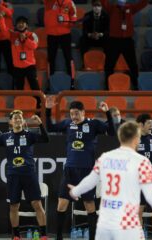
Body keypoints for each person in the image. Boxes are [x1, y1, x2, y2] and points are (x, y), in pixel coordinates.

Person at [68, 121, 152, 240]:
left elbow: (89, 181)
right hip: (127, 224)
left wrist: (75, 191)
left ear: (120, 137)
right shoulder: (142, 162)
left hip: (105, 225)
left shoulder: (105, 157)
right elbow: (151, 196)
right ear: (136, 138)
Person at [45, 98, 115, 240]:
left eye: (76, 113)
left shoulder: (93, 124)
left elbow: (112, 132)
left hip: (87, 171)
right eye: (71, 114)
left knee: (89, 204)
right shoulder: (67, 124)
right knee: (62, 203)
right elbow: (50, 128)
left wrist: (107, 113)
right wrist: (47, 111)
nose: (74, 117)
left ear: (83, 112)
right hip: (70, 170)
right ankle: (59, 237)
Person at [0, 110, 49, 240]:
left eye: (20, 118)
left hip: (29, 175)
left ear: (23, 121)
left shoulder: (29, 135)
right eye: (15, 118)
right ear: (10, 122)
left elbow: (45, 139)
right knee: (14, 206)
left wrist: (40, 125)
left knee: (37, 204)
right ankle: (16, 236)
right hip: (13, 176)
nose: (17, 120)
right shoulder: (5, 137)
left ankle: (43, 235)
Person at [101, 0, 147, 90]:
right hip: (114, 41)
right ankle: (107, 87)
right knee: (109, 65)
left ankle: (136, 85)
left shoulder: (130, 8)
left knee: (133, 65)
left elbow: (143, 3)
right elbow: (104, 2)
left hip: (127, 41)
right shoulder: (112, 8)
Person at [0, 16, 40, 93]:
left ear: (27, 25)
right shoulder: (13, 35)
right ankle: (19, 103)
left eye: (22, 23)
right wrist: (1, 18)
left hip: (30, 66)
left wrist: (25, 39)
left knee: (35, 86)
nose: (20, 24)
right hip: (17, 67)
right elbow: (3, 30)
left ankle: (39, 103)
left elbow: (34, 46)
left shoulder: (32, 35)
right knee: (18, 88)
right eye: (18, 23)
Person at [44, 0, 77, 90]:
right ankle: (50, 82)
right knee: (51, 58)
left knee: (68, 57)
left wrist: (71, 23)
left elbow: (73, 14)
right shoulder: (49, 2)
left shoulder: (69, 2)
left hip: (65, 33)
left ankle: (72, 82)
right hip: (51, 34)